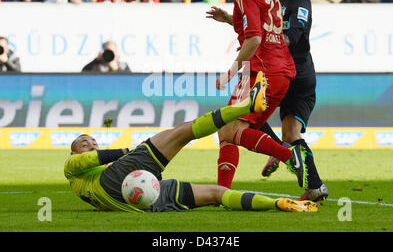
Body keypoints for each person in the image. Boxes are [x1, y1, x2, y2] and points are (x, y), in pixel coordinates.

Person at [65, 73, 318, 213]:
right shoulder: (72, 167)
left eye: (93, 141)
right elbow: (90, 159)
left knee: (217, 194)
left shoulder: (85, 187)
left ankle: (280, 203)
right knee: (183, 131)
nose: (91, 144)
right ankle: (246, 105)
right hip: (114, 179)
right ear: (72, 152)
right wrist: (122, 152)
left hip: (138, 201)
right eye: (84, 142)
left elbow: (93, 163)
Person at [206, 0, 309, 190]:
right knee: (226, 130)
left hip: (262, 74)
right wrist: (231, 18)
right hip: (279, 71)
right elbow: (264, 30)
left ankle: (287, 155)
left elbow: (254, 39)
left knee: (231, 128)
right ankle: (223, 191)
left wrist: (229, 73)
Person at [259, 0, 328, 202]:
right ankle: (316, 186)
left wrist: (276, 40)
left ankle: (280, 152)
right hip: (277, 74)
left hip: (297, 76)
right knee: (288, 134)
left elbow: (296, 35)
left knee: (251, 116)